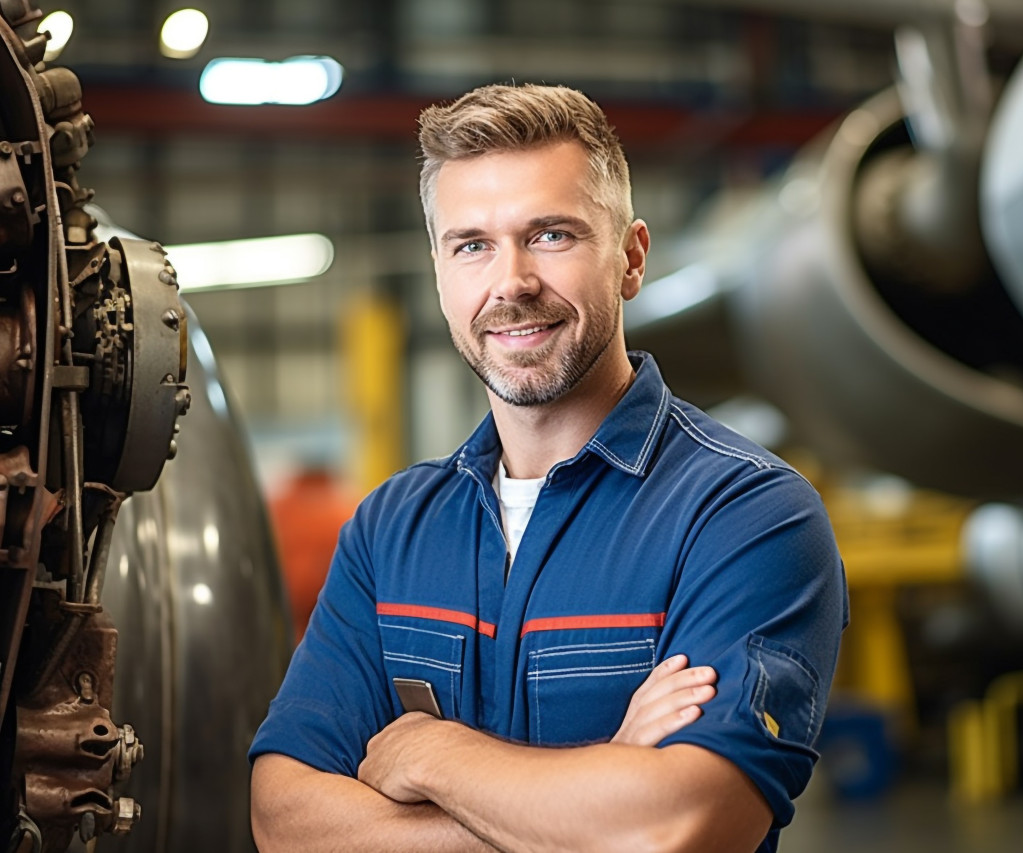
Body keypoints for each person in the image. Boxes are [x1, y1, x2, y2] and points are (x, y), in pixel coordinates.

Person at [249, 83, 847, 853]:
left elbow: (678, 826)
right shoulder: (390, 529)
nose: (511, 283)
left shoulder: (744, 515)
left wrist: (432, 754)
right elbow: (284, 820)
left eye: (552, 234)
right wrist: (601, 785)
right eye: (472, 244)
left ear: (631, 258)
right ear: (440, 274)